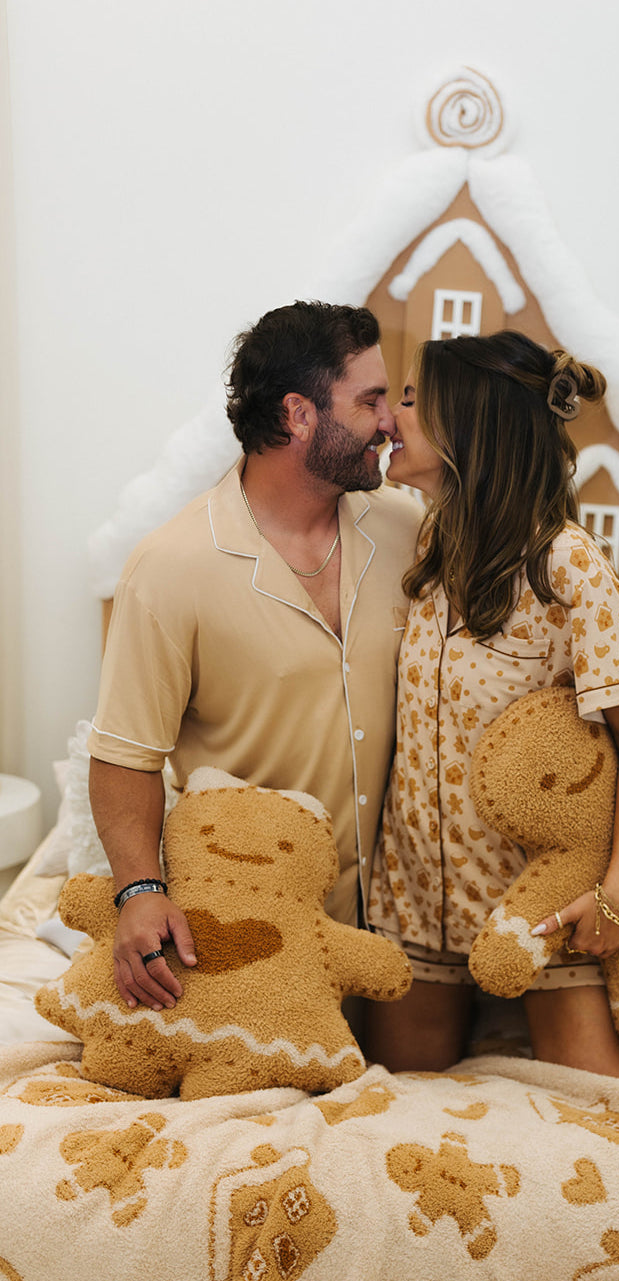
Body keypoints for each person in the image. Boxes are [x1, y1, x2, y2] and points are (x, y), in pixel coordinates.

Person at [88, 301, 421, 1013]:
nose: (389, 421)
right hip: (249, 937)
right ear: (299, 414)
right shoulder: (170, 568)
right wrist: (139, 892)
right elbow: (125, 756)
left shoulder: (408, 529)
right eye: (369, 400)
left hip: (404, 940)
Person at [365, 330, 619, 1082]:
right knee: (400, 1098)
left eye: (406, 400)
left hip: (536, 902)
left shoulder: (566, 564)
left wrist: (618, 887)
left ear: (467, 424)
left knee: (606, 1108)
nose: (389, 418)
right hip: (417, 899)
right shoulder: (426, 540)